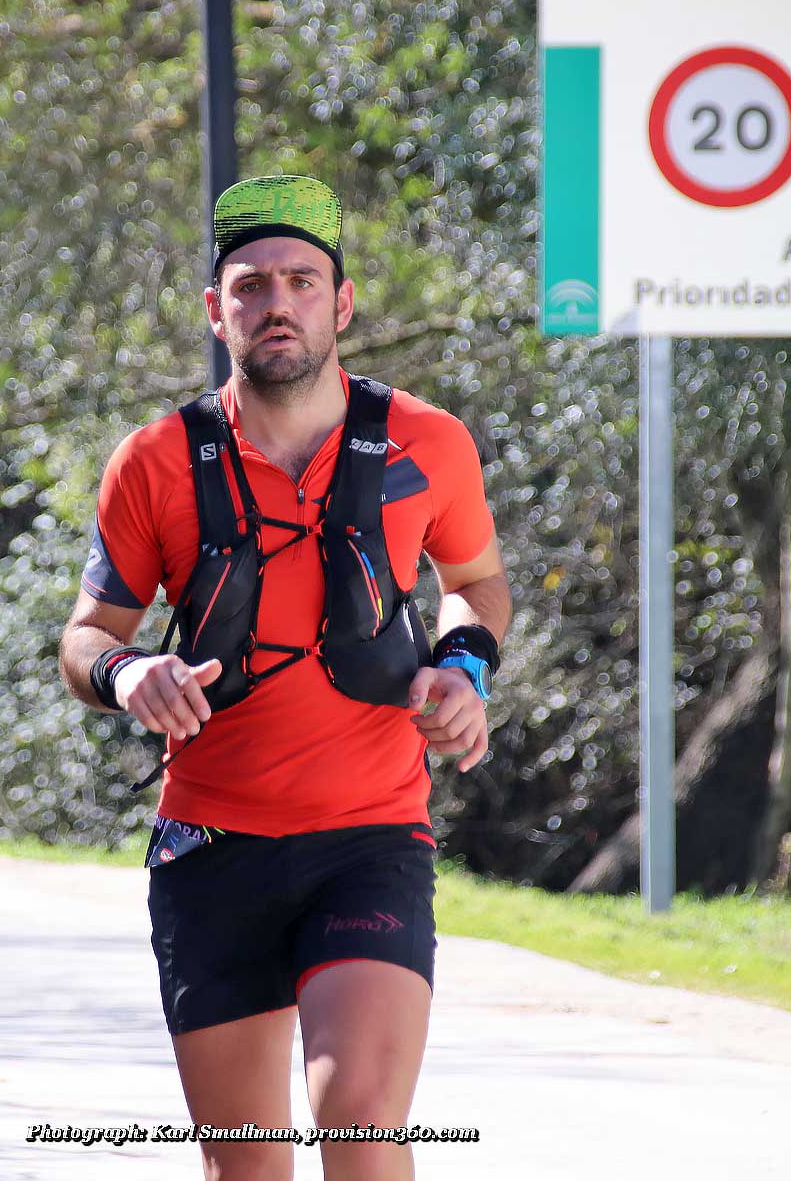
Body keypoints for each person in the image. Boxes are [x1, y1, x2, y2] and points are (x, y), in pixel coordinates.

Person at [58, 174, 510, 1181]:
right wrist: (127, 673)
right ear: (215, 310)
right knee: (247, 1168)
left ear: (341, 304)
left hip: (370, 837)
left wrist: (464, 664)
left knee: (360, 1122)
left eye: (302, 282)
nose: (277, 304)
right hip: (210, 846)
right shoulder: (154, 462)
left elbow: (475, 582)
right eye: (251, 285)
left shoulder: (428, 443)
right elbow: (86, 637)